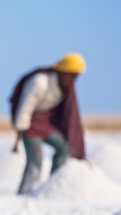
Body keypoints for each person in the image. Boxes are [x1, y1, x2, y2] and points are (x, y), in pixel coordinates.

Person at [9, 53, 87, 194]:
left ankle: (52, 187)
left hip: (47, 125)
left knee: (65, 149)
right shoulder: (40, 82)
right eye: (71, 75)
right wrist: (18, 137)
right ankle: (24, 194)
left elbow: (70, 115)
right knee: (36, 160)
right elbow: (25, 108)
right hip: (30, 127)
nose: (73, 80)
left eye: (76, 76)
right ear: (62, 72)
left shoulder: (66, 89)